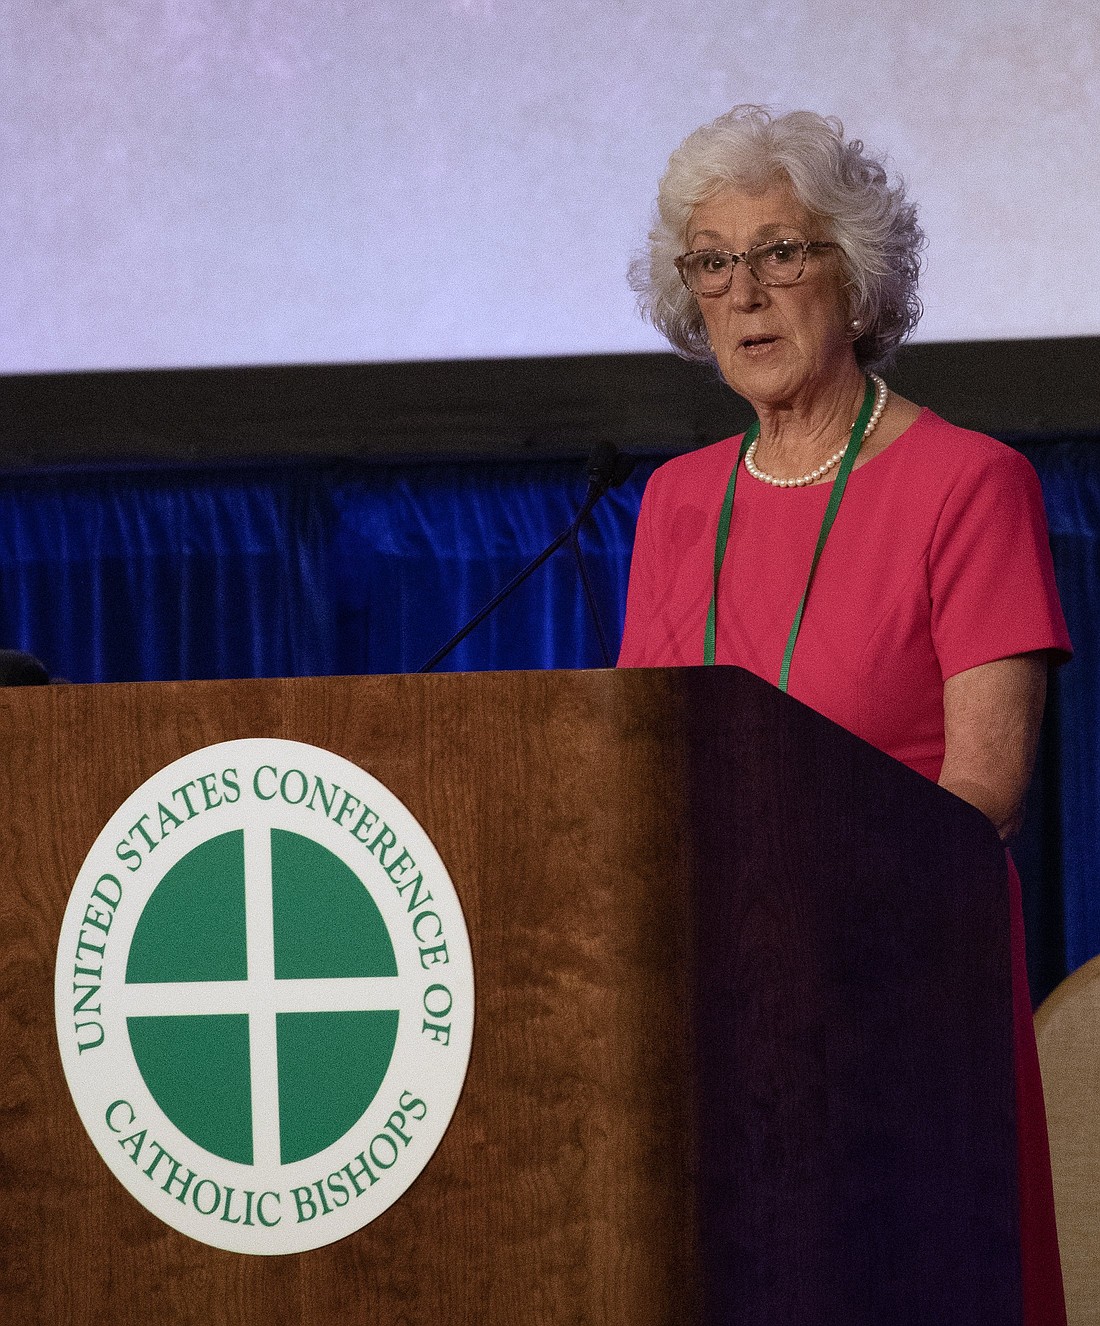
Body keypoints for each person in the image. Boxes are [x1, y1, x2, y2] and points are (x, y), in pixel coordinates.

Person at [618, 106, 1071, 1325]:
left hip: (895, 1001)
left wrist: (807, 896)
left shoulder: (969, 485)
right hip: (710, 1013)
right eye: (711, 262)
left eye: (782, 252)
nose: (745, 291)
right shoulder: (671, 503)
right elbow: (630, 776)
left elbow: (984, 792)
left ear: (859, 286)